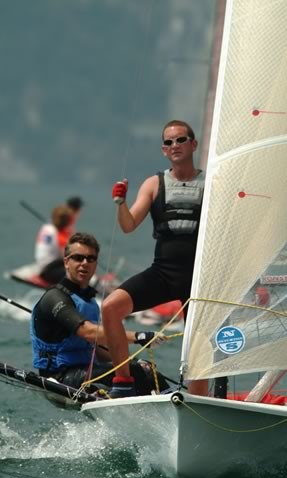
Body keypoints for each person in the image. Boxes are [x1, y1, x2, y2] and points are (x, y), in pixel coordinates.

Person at [102, 119, 207, 396]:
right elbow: (128, 225)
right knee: (110, 308)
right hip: (163, 273)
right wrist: (120, 203)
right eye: (169, 142)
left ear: (193, 144)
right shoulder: (154, 183)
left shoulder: (211, 182)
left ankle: (199, 400)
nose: (175, 145)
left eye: (181, 140)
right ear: (163, 150)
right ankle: (123, 382)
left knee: (200, 348)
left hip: (198, 280)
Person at [30, 232, 169, 399]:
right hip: (60, 378)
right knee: (136, 373)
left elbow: (96, 348)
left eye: (90, 259)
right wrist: (138, 336)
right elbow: (87, 332)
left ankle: (173, 408)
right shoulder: (54, 298)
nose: (84, 263)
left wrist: (124, 361)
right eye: (78, 258)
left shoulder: (89, 302)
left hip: (85, 370)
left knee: (144, 370)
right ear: (66, 262)